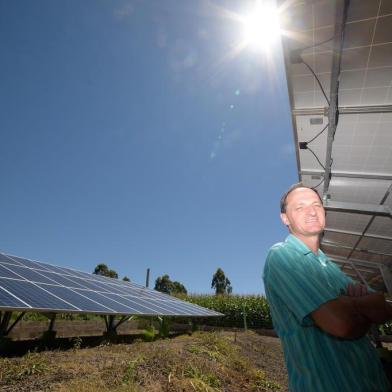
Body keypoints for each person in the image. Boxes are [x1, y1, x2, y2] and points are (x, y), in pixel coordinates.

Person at [263, 183, 392, 391]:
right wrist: (360, 309)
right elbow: (342, 324)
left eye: (317, 205)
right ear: (285, 218)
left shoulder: (329, 266)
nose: (312, 211)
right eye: (300, 207)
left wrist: (351, 306)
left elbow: (383, 310)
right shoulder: (282, 256)